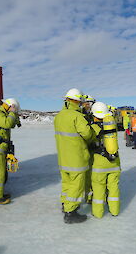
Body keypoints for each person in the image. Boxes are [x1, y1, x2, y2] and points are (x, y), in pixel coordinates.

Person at [54, 88, 95, 224]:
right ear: (77, 101)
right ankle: (71, 213)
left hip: (63, 158)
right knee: (76, 185)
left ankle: (65, 205)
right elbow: (88, 134)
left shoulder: (59, 116)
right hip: (76, 158)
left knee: (66, 184)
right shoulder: (77, 116)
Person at [0, 98, 21, 204]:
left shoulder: (3, 114)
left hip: (0, 148)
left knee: (1, 172)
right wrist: (11, 113)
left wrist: (14, 114)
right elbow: (7, 124)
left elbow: (13, 124)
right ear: (9, 105)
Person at [90, 102, 121, 218]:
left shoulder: (93, 128)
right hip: (115, 162)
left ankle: (98, 214)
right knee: (114, 189)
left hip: (99, 164)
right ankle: (115, 211)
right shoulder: (112, 125)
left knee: (98, 190)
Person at [81, 94, 96, 204]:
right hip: (85, 148)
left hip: (92, 148)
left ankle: (91, 195)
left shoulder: (92, 114)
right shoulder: (81, 116)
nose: (89, 105)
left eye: (90, 103)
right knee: (87, 175)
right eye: (87, 103)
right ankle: (88, 197)